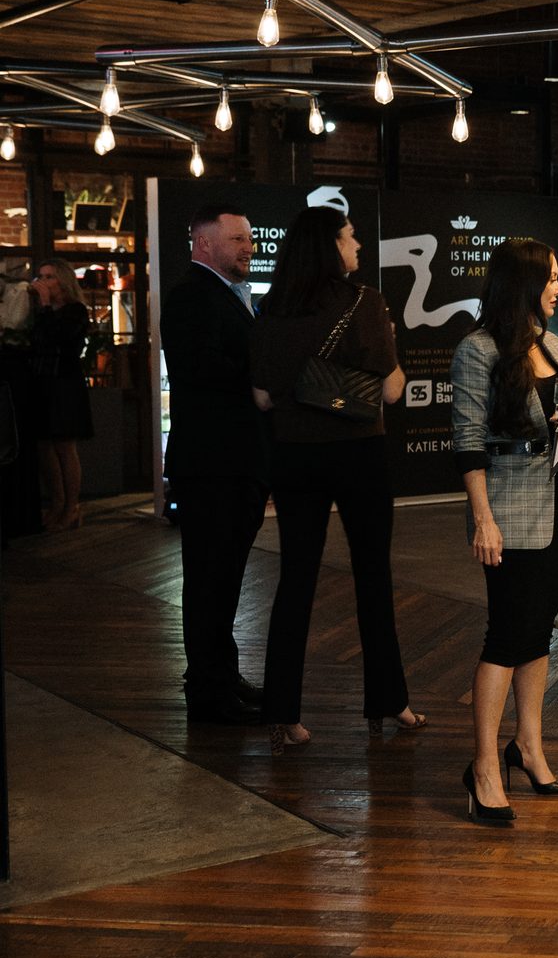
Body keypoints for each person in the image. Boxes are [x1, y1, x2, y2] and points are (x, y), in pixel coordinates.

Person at [248, 206, 424, 754]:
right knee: (373, 576)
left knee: (296, 580)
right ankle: (389, 701)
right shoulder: (364, 303)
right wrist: (389, 346)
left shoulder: (270, 309)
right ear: (330, 246)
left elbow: (260, 397)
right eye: (350, 239)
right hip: (359, 453)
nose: (358, 249)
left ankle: (283, 715)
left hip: (295, 457)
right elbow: (392, 391)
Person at [450, 239, 558, 827]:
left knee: (538, 633)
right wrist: (482, 517)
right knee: (506, 637)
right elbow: (468, 442)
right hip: (507, 513)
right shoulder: (476, 350)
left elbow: (557, 423)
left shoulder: (551, 344)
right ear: (524, 284)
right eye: (551, 278)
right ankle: (485, 767)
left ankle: (528, 748)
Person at [162, 203, 270, 724]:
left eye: (250, 239)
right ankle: (208, 692)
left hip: (234, 464)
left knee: (224, 580)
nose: (250, 247)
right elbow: (201, 369)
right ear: (204, 244)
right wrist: (262, 375)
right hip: (211, 466)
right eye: (239, 240)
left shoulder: (228, 295)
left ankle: (221, 675)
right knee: (208, 581)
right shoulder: (189, 298)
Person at [28, 260, 93, 530]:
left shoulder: (76, 311)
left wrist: (44, 306)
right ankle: (56, 503)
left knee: (65, 447)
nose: (43, 282)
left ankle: (71, 507)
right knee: (44, 447)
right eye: (41, 277)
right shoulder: (41, 312)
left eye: (50, 277)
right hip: (43, 384)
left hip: (65, 385)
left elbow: (59, 339)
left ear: (63, 281)